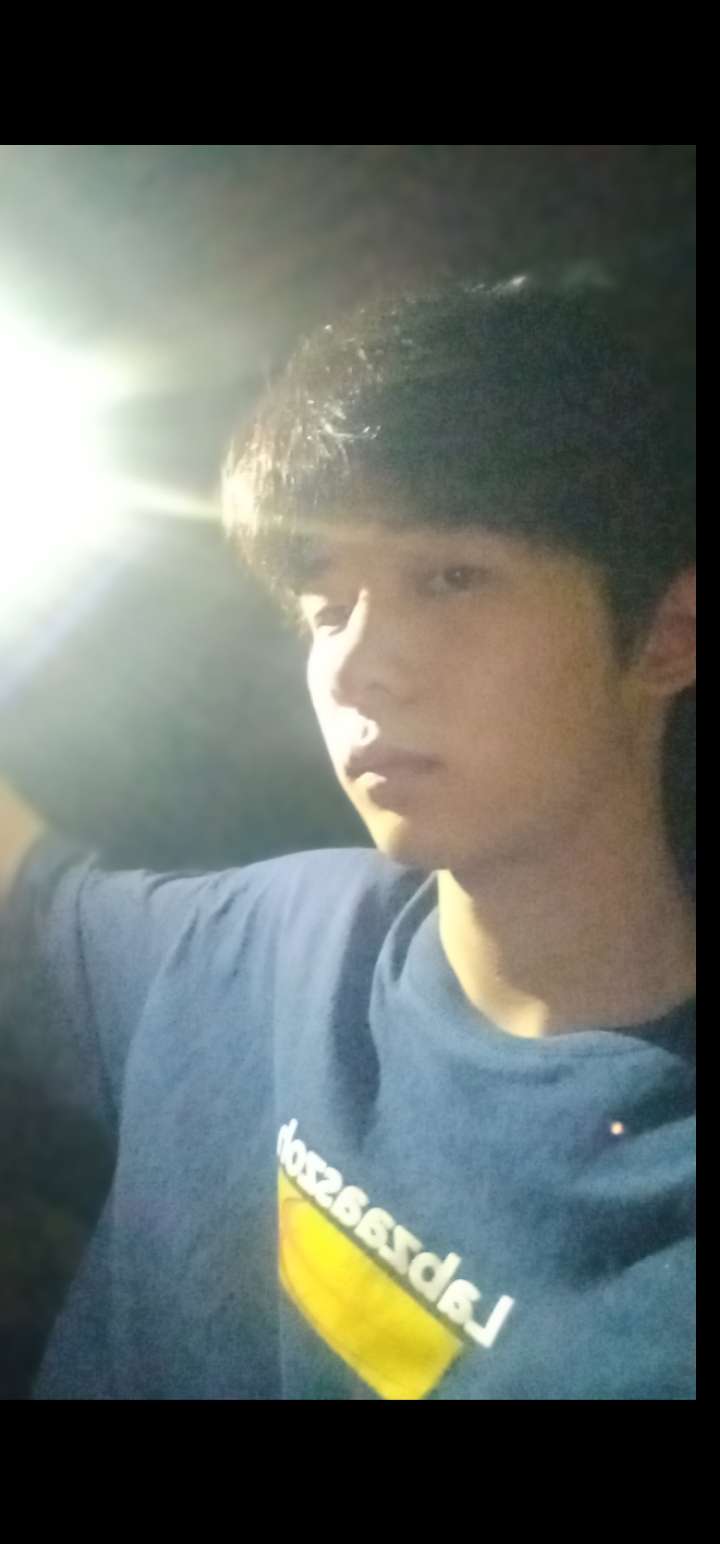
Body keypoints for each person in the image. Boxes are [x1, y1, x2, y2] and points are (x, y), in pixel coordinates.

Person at [0, 271, 695, 1399]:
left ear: (668, 634)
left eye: (451, 577)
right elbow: (28, 887)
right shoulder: (272, 941)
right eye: (327, 607)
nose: (359, 664)